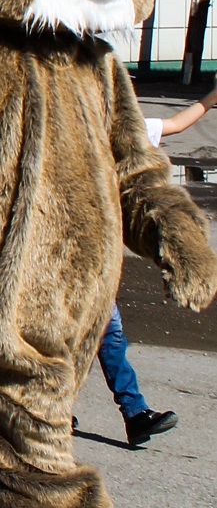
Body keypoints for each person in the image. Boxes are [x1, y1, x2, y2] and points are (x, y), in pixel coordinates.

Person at [93, 84, 217, 445]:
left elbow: (177, 124)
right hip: (63, 256)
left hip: (102, 260)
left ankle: (134, 414)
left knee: (105, 335)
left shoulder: (129, 132)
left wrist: (210, 98)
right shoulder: (73, 134)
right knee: (80, 338)